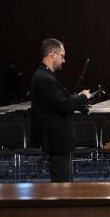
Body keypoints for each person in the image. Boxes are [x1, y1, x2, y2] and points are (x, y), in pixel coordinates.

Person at [30, 38, 91, 182]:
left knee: (65, 185)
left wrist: (78, 100)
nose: (64, 60)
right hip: (56, 141)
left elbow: (61, 102)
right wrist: (84, 97)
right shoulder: (44, 78)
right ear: (53, 54)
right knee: (62, 187)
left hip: (59, 141)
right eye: (62, 56)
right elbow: (64, 105)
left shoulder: (46, 76)